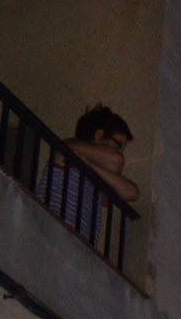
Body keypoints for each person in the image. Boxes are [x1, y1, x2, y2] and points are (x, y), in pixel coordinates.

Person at [42, 104, 140, 247]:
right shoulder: (68, 149)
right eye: (119, 145)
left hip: (77, 246)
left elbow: (133, 192)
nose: (120, 152)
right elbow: (115, 160)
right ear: (99, 135)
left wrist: (90, 165)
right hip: (49, 234)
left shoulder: (95, 178)